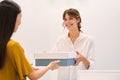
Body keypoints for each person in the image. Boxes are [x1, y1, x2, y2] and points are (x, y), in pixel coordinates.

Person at [0, 0, 60, 80]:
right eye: (19, 18)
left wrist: (26, 68)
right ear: (11, 20)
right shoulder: (13, 46)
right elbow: (33, 76)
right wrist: (49, 66)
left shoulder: (5, 45)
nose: (19, 23)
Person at [51, 8, 95, 80]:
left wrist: (82, 59)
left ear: (78, 20)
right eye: (65, 19)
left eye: (71, 18)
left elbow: (91, 67)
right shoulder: (60, 40)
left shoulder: (88, 40)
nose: (67, 22)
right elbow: (52, 61)